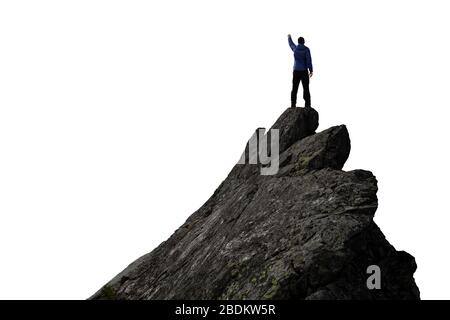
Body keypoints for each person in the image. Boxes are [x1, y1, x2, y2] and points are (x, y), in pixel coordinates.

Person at [288, 34, 313, 108]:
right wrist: (311, 70)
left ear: (298, 42)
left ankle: (293, 105)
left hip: (296, 71)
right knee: (306, 88)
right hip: (304, 71)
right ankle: (307, 105)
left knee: (294, 88)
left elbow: (291, 44)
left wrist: (289, 37)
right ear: (304, 42)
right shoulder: (306, 49)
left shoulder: (295, 49)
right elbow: (309, 60)